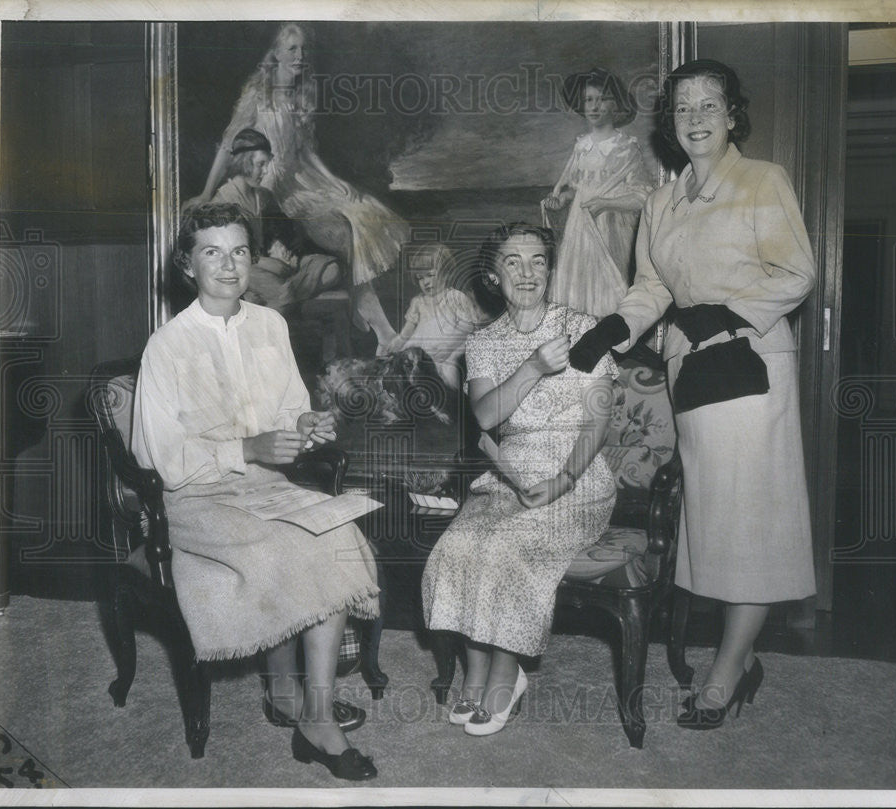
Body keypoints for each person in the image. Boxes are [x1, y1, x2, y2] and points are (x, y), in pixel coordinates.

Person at [570, 59, 817, 730]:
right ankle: (741, 657)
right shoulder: (662, 200)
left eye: (711, 104)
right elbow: (651, 286)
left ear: (733, 114)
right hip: (692, 374)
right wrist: (612, 330)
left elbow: (797, 270)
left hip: (749, 368)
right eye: (684, 108)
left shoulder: (763, 180)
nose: (698, 116)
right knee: (713, 527)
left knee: (751, 530)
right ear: (671, 124)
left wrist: (726, 313)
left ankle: (727, 674)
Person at [131, 203, 380, 780]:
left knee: (338, 533)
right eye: (211, 252)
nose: (228, 264)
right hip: (197, 501)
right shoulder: (166, 346)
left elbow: (290, 410)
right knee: (285, 548)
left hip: (266, 488)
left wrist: (306, 427)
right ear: (187, 265)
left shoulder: (270, 326)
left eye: (240, 251)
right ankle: (301, 706)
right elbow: (157, 457)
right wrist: (246, 449)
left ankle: (308, 708)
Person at [421, 223, 618, 736]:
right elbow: (486, 418)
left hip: (578, 474)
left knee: (508, 543)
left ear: (551, 270)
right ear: (493, 275)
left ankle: (508, 672)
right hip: (507, 473)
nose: (527, 273)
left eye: (537, 261)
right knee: (461, 542)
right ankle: (476, 670)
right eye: (513, 262)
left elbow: (599, 419)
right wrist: (532, 365)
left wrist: (564, 480)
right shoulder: (483, 343)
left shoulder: (584, 327)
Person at [186, 23, 409, 352]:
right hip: (275, 185)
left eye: (303, 50)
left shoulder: (301, 95)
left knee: (362, 210)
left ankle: (374, 322)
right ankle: (379, 327)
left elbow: (306, 152)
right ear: (275, 54)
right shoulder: (257, 95)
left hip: (303, 176)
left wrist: (336, 183)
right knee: (346, 232)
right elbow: (227, 144)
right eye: (292, 49)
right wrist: (206, 192)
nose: (300, 56)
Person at [543, 67, 652, 317]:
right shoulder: (582, 146)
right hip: (579, 230)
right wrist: (561, 200)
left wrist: (606, 203)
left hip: (610, 229)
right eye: (589, 100)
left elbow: (643, 195)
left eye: (603, 99)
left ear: (616, 105)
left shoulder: (626, 148)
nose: (594, 106)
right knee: (576, 288)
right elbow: (576, 188)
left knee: (608, 291)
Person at [212, 127, 341, 311]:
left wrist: (283, 252)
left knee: (331, 269)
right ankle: (278, 298)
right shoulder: (223, 201)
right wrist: (265, 262)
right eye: (260, 164)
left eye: (267, 164)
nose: (265, 171)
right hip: (242, 269)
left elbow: (280, 234)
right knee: (276, 289)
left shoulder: (265, 197)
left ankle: (263, 300)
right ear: (244, 162)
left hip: (270, 264)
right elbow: (223, 254)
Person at [382, 242, 488, 388]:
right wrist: (398, 341)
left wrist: (447, 346)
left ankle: (450, 397)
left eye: (430, 275)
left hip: (451, 343)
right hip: (421, 345)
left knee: (450, 368)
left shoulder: (454, 297)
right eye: (420, 278)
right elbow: (408, 329)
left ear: (447, 272)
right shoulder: (418, 302)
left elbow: (466, 326)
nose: (425, 282)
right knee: (404, 364)